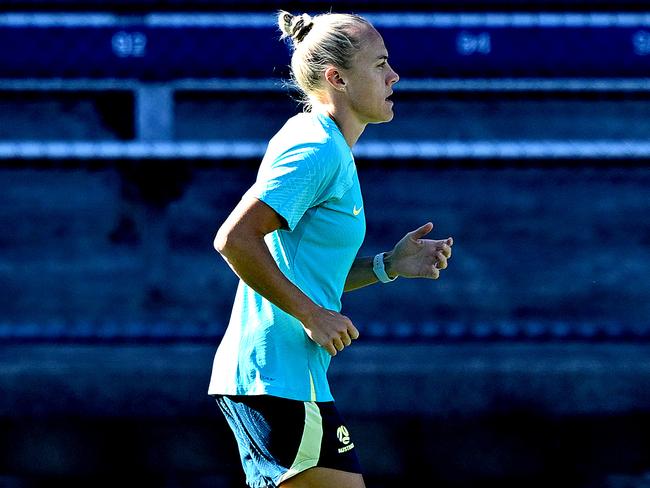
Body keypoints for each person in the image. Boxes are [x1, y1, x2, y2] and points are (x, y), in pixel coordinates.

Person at [208, 10, 454, 488]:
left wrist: (388, 266)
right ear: (337, 78)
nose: (394, 75)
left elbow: (303, 269)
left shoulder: (323, 143)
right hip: (279, 377)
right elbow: (234, 239)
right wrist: (311, 315)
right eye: (380, 64)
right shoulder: (317, 148)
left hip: (281, 378)